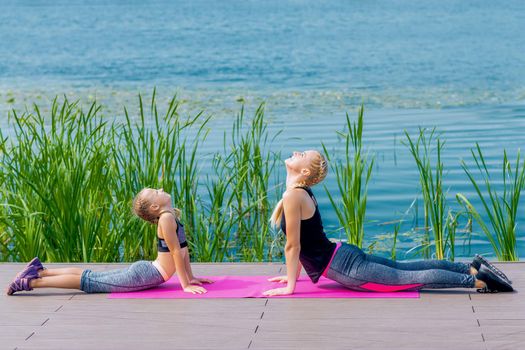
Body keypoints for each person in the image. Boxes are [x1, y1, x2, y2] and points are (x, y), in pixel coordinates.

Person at [263, 150, 513, 296]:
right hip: (342, 255)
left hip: (345, 266)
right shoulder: (298, 192)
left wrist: (290, 288)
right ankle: (471, 267)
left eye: (303, 154)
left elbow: (294, 246)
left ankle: (481, 280)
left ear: (305, 172)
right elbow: (301, 243)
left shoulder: (293, 194)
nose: (297, 152)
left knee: (409, 278)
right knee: (405, 267)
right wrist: (290, 275)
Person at [6, 188, 212, 295]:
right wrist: (185, 285)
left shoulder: (169, 216)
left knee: (91, 276)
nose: (160, 188)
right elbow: (176, 252)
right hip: (146, 275)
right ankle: (29, 281)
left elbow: (182, 251)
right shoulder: (167, 219)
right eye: (155, 192)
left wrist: (191, 277)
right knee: (89, 282)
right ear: (155, 208)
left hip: (147, 271)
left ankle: (40, 271)